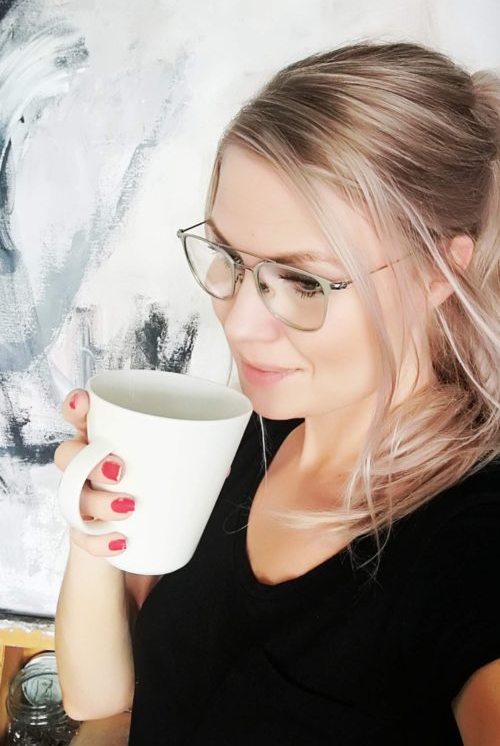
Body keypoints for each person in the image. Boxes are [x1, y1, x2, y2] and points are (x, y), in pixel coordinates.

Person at [54, 41, 500, 745]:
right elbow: (102, 698)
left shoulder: (473, 545)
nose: (238, 321)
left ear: (437, 274)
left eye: (303, 281)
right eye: (231, 259)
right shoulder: (239, 441)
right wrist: (91, 536)